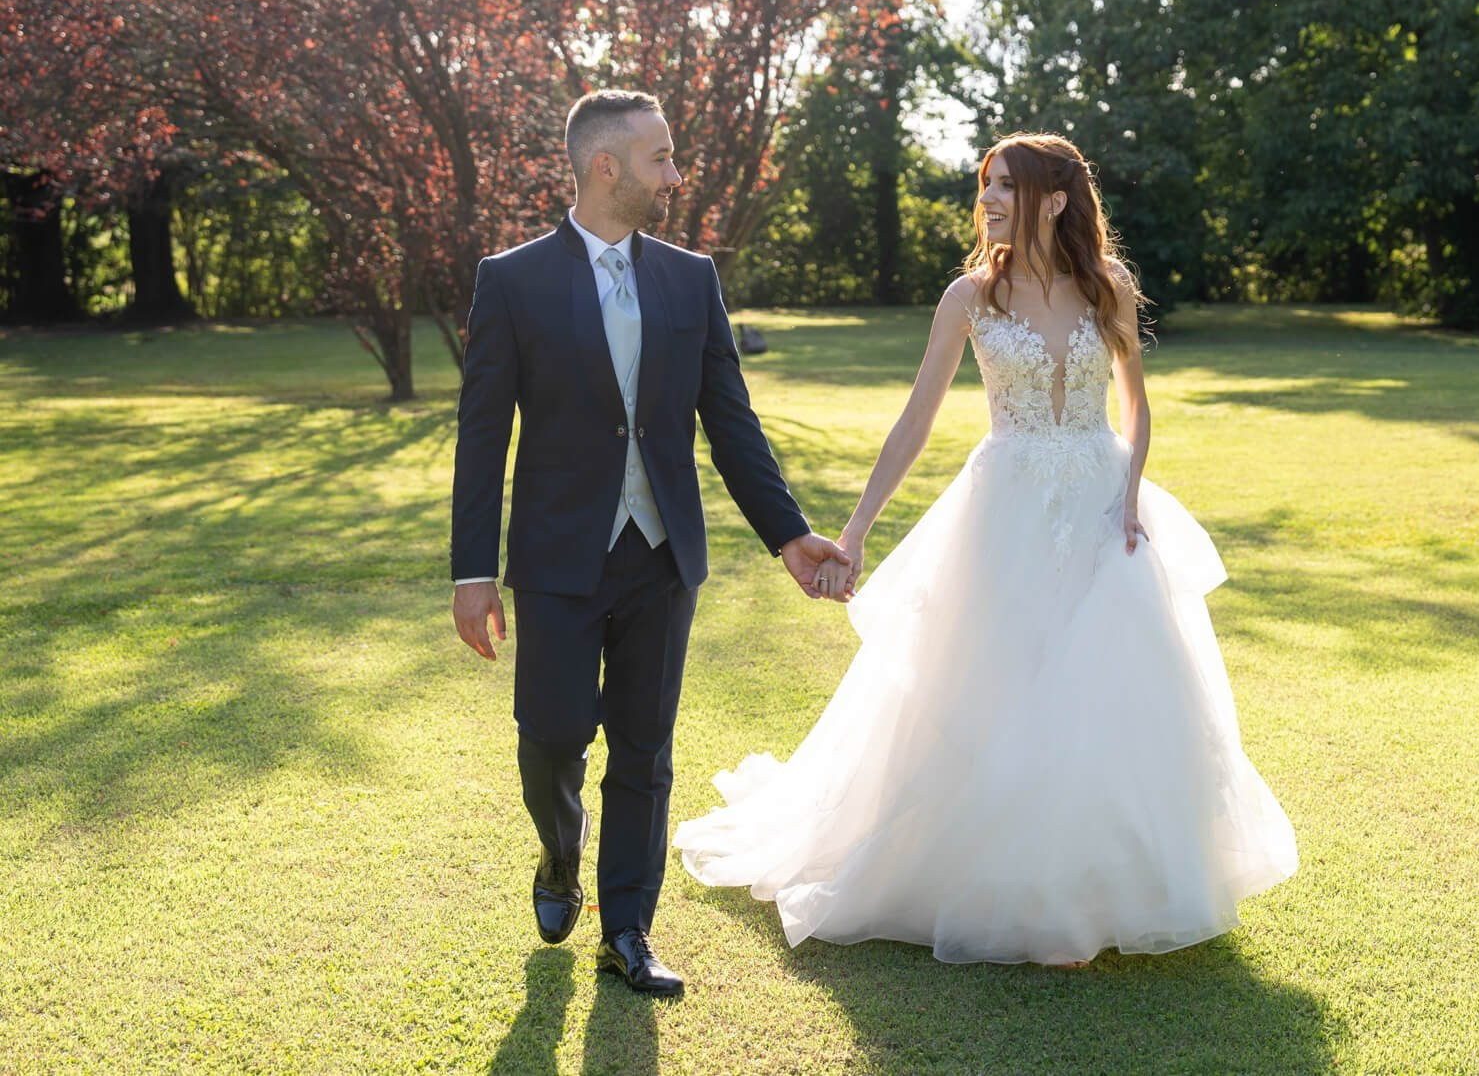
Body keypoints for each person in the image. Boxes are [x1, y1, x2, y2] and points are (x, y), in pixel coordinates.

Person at [674, 132, 1297, 966]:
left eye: (1008, 185)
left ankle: (1095, 883)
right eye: (987, 186)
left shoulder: (1105, 287)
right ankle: (1010, 889)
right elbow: (915, 421)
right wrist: (855, 532)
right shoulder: (969, 295)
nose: (992, 199)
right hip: (1002, 507)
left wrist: (1133, 491)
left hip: (1101, 502)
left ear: (1059, 197)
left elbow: (1137, 407)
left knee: (1102, 692)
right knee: (1003, 684)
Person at [450, 90, 850, 998]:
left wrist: (787, 533)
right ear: (606, 168)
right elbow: (483, 436)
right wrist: (474, 571)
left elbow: (731, 422)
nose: (675, 173)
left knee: (644, 748)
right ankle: (560, 855)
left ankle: (626, 929)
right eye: (661, 158)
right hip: (556, 559)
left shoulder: (689, 277)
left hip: (662, 557)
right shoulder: (511, 280)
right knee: (551, 737)